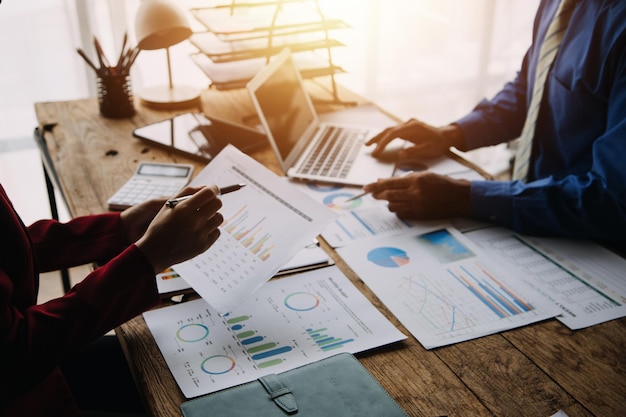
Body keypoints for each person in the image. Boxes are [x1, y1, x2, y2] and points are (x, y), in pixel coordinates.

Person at [363, 0, 626, 242]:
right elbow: (531, 86)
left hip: (596, 245)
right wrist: (452, 134)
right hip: (530, 210)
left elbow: (612, 200)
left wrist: (464, 197)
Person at [1, 183, 224, 417]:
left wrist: (119, 228)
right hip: (21, 394)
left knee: (163, 356)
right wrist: (147, 259)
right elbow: (14, 353)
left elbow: (7, 245)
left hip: (33, 374)